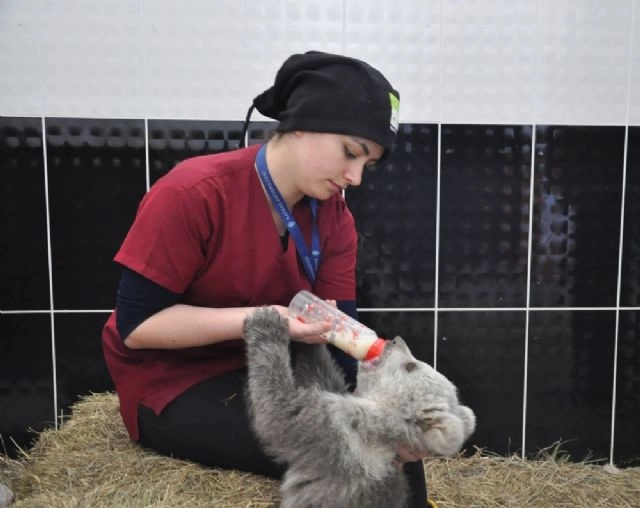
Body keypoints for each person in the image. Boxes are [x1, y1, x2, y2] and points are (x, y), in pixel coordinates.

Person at [102, 50, 430, 506]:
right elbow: (137, 327)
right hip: (175, 380)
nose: (355, 177)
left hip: (268, 370)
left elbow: (342, 340)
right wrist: (266, 321)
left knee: (387, 446)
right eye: (351, 152)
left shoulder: (334, 218)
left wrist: (382, 404)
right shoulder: (193, 193)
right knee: (347, 450)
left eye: (367, 165)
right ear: (301, 125)